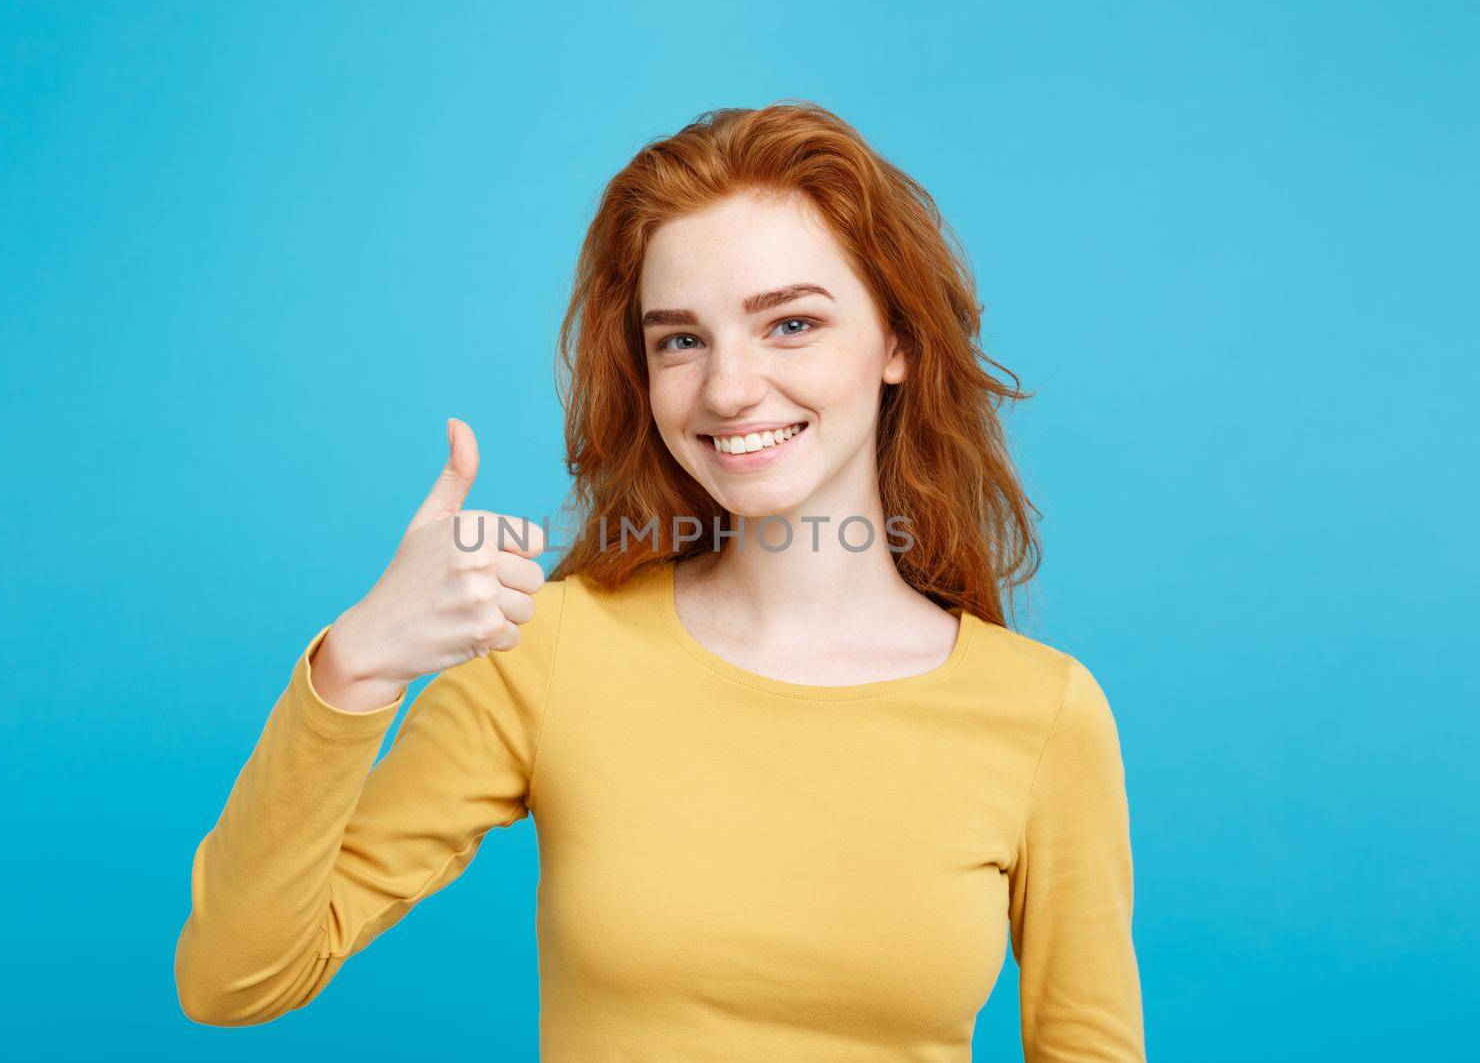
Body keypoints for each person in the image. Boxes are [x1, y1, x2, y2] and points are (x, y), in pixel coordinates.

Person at [173, 100, 1146, 1061]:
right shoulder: (550, 651)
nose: (727, 388)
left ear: (895, 342)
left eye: (791, 323)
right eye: (680, 338)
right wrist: (356, 665)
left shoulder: (1042, 712)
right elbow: (234, 977)